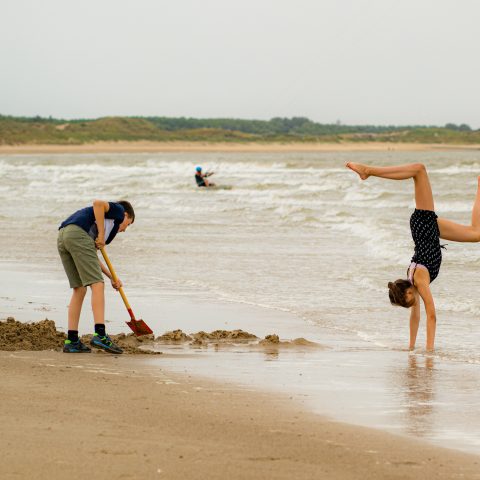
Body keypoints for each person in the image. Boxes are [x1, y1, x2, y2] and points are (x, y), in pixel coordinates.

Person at [346, 162, 480, 352]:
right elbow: (415, 317)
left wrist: (429, 352)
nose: (414, 300)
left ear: (408, 290)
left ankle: (369, 171)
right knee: (476, 234)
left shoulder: (419, 280)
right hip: (429, 232)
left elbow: (431, 314)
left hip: (424, 225)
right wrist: (411, 348)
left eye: (410, 298)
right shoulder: (412, 284)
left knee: (419, 170)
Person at [57, 199, 135, 354]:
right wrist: (100, 234)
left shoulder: (107, 230)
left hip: (64, 236)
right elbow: (98, 203)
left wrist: (111, 277)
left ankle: (71, 340)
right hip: (77, 234)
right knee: (97, 284)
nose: (125, 229)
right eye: (129, 224)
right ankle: (100, 334)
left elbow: (90, 256)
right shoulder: (118, 210)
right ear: (126, 215)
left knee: (79, 289)